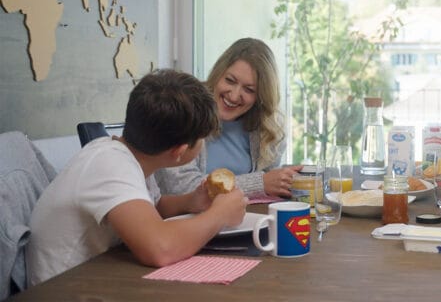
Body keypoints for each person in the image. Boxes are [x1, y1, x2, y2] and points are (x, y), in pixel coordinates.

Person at [26, 69, 247, 285]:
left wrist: (190, 202)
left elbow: (152, 207)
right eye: (201, 139)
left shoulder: (131, 154)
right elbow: (160, 248)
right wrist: (219, 215)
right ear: (179, 151)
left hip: (93, 276)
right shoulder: (110, 165)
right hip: (59, 289)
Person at [155, 38, 301, 198]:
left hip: (245, 219)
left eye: (249, 89)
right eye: (230, 81)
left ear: (261, 96)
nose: (234, 95)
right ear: (218, 74)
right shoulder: (185, 111)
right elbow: (183, 188)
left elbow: (268, 183)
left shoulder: (269, 127)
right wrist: (259, 183)